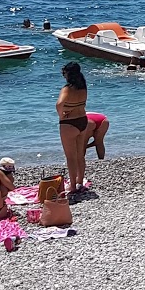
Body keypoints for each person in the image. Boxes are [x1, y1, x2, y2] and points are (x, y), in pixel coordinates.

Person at [57, 62, 91, 193]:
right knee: (80, 155)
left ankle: (72, 186)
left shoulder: (67, 89)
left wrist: (61, 115)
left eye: (64, 73)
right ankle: (80, 182)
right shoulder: (83, 87)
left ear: (68, 74)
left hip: (69, 123)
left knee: (70, 157)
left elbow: (59, 103)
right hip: (82, 120)